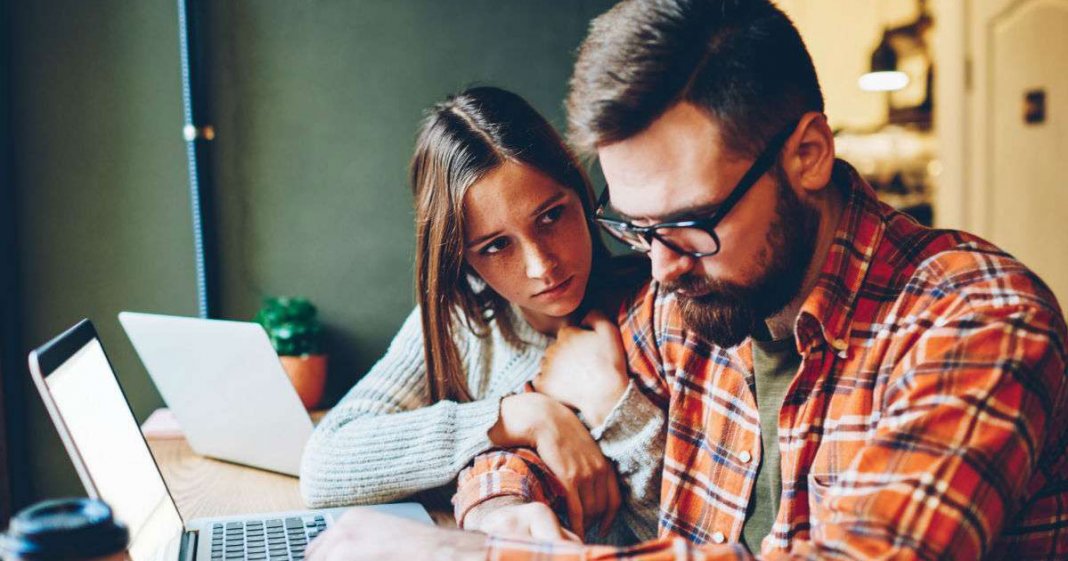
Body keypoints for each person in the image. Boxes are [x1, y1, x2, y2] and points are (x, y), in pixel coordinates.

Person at [304, 1, 1068, 560]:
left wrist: (478, 554)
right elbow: (521, 461)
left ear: (807, 154)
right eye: (635, 228)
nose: (660, 267)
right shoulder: (687, 303)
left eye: (690, 222)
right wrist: (507, 504)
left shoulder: (979, 321)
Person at [299, 86, 664, 544]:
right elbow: (325, 464)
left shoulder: (656, 310)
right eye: (496, 246)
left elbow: (697, 528)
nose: (541, 265)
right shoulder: (465, 319)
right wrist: (520, 416)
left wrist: (615, 408)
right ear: (462, 259)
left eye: (550, 216)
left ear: (580, 191)